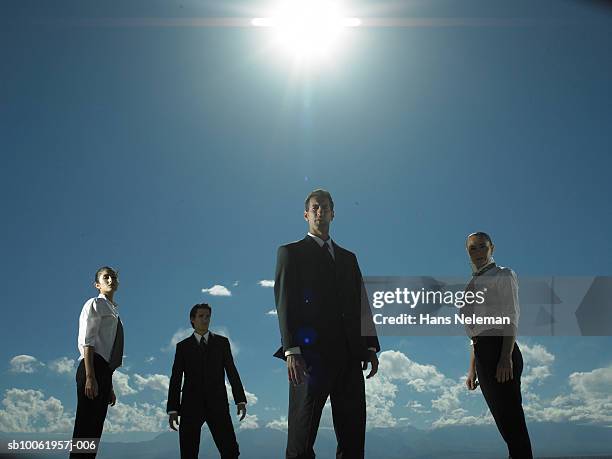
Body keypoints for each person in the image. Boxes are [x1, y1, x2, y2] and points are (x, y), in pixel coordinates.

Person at [274, 189, 380, 459]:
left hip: (348, 357)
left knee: (353, 434)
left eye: (325, 207)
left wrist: (369, 346)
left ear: (333, 213)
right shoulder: (290, 253)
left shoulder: (348, 258)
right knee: (302, 434)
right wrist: (292, 351)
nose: (320, 211)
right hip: (309, 359)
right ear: (306, 214)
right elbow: (285, 303)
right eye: (315, 207)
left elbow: (361, 303)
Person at [464, 232, 533, 459]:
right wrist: (472, 368)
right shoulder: (469, 286)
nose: (479, 253)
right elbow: (474, 334)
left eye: (483, 247)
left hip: (501, 349)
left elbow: (511, 317)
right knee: (504, 424)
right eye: (473, 248)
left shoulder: (503, 275)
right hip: (482, 354)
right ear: (468, 252)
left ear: (492, 248)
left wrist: (506, 357)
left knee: (513, 423)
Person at [167, 303, 247, 459]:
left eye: (208, 316)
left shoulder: (222, 343)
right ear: (192, 319)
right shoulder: (182, 347)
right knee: (188, 453)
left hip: (218, 405)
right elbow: (176, 378)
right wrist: (173, 409)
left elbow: (232, 371)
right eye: (201, 316)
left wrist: (240, 399)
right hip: (190, 407)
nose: (205, 320)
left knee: (230, 451)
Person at [71, 266, 124, 458]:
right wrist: (90, 376)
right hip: (91, 365)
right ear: (97, 284)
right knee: (85, 429)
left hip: (103, 371)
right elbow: (88, 341)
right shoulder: (95, 303)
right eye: (106, 277)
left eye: (114, 277)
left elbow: (108, 349)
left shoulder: (113, 310)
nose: (111, 280)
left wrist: (108, 385)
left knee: (95, 431)